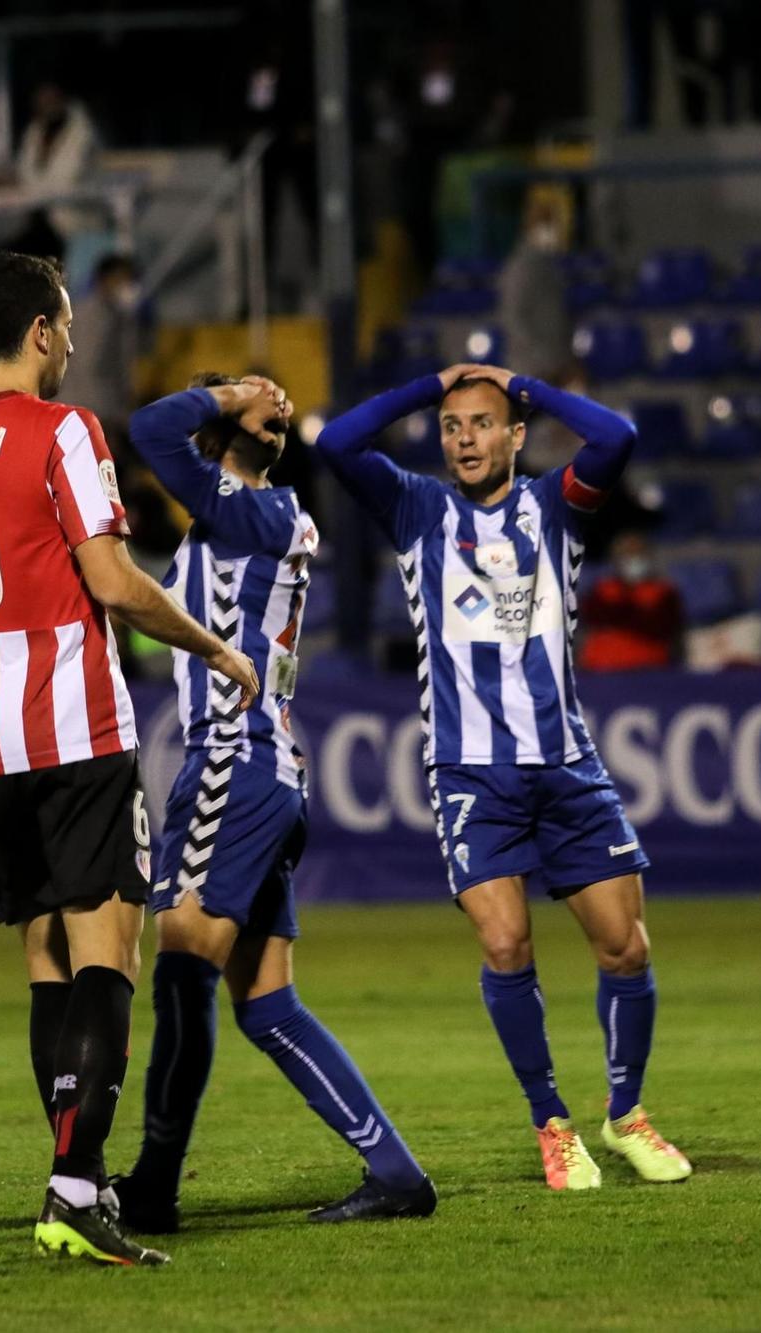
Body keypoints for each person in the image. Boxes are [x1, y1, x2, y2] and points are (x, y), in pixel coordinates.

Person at [0, 252, 258, 1268]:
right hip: (73, 733)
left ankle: (77, 1174)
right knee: (108, 945)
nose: (69, 345)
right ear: (36, 333)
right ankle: (74, 1189)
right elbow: (110, 583)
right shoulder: (64, 431)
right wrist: (212, 645)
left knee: (42, 957)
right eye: (63, 328)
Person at [317, 362, 692, 1192]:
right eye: (453, 428)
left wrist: (523, 383)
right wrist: (430, 384)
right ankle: (551, 1123)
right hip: (470, 773)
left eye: (483, 423)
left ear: (515, 434)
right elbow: (338, 441)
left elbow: (617, 436)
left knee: (625, 947)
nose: (465, 440)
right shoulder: (417, 507)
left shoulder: (556, 505)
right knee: (504, 940)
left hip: (564, 762)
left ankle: (625, 1114)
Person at [111, 373, 437, 1233]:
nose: (278, 399)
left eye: (279, 394)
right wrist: (229, 395)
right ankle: (395, 1169)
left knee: (182, 969)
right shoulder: (249, 519)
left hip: (231, 760)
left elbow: (147, 428)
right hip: (271, 771)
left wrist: (223, 393)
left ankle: (153, 1183)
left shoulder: (250, 511)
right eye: (260, 394)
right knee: (266, 1003)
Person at [54, 256, 140, 449]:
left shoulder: (120, 316)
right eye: (121, 279)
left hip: (104, 413)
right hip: (84, 411)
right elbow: (87, 368)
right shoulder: (88, 316)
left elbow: (123, 370)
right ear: (104, 280)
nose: (127, 286)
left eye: (130, 280)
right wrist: (112, 415)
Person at [12, 83, 100, 258]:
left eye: (51, 99)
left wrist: (26, 185)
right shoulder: (34, 132)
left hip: (72, 222)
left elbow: (65, 179)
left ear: (63, 99)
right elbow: (24, 174)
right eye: (41, 99)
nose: (46, 104)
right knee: (3, 253)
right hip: (38, 220)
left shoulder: (82, 133)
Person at [578, 530, 683, 672]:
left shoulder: (664, 590)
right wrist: (636, 610)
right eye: (627, 553)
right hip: (601, 668)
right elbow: (593, 618)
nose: (633, 558)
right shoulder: (602, 588)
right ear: (617, 557)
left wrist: (620, 611)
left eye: (638, 553)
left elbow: (662, 626)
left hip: (648, 667)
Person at [496, 197, 572, 383]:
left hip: (554, 366)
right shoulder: (520, 267)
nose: (554, 232)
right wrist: (543, 359)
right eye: (548, 225)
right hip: (530, 369)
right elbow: (513, 318)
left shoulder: (549, 265)